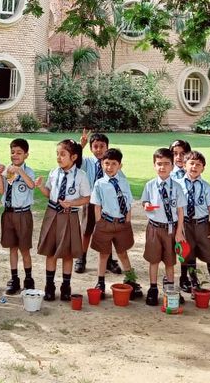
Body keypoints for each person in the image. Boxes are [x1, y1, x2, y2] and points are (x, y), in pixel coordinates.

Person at [36, 138, 91, 302]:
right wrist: (40, 187)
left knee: (67, 254)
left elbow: (87, 198)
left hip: (69, 216)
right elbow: (49, 193)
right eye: (57, 154)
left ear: (73, 157)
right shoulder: (53, 172)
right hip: (52, 214)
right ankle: (49, 286)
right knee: (50, 251)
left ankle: (66, 286)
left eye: (63, 154)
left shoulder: (81, 176)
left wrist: (72, 203)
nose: (59, 158)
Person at [88, 148, 142, 299]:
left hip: (122, 223)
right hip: (106, 222)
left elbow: (128, 202)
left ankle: (131, 280)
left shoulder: (124, 182)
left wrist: (128, 220)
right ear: (102, 164)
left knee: (123, 253)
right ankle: (100, 282)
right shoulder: (99, 184)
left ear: (120, 166)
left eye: (113, 164)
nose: (110, 167)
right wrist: (99, 222)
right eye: (106, 163)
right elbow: (96, 205)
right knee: (103, 254)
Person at [140, 147, 187, 306]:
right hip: (154, 228)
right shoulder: (150, 185)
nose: (162, 167)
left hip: (171, 229)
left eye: (166, 164)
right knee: (153, 260)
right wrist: (146, 205)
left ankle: (171, 289)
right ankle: (153, 289)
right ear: (154, 165)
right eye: (159, 164)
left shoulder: (178, 187)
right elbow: (144, 201)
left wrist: (179, 231)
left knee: (169, 261)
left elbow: (180, 211)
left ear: (172, 166)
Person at [76, 130, 123, 275]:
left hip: (106, 205)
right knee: (86, 231)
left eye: (102, 146)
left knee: (106, 233)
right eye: (95, 146)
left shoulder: (110, 164)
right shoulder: (88, 162)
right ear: (91, 148)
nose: (98, 150)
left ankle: (108, 260)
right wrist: (80, 146)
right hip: (89, 202)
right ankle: (81, 258)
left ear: (107, 148)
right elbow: (75, 161)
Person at [178, 150, 210, 298]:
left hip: (202, 224)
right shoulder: (178, 185)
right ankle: (193, 282)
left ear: (203, 168)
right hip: (185, 225)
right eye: (191, 163)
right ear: (184, 165)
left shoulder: (206, 187)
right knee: (188, 254)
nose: (194, 167)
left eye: (198, 164)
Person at [0, 138, 40, 295]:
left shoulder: (28, 171)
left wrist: (20, 171)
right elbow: (2, 191)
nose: (15, 155)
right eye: (12, 152)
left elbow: (31, 185)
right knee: (12, 248)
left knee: (24, 249)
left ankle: (28, 279)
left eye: (19, 153)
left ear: (26, 155)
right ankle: (14, 278)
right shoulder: (7, 170)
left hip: (23, 214)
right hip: (8, 213)